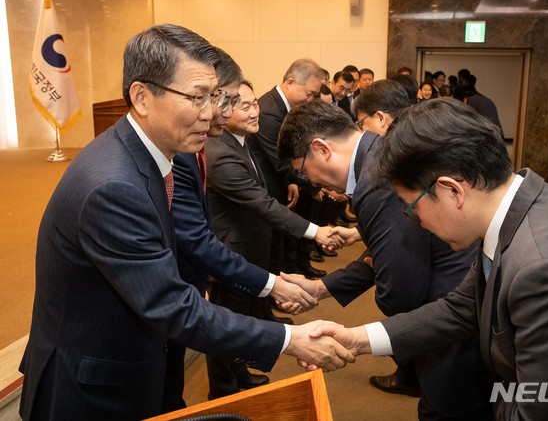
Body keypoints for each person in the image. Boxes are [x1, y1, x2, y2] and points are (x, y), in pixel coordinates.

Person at [18, 24, 353, 421]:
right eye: (197, 97)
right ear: (142, 96)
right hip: (92, 387)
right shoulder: (113, 185)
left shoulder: (149, 158)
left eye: (213, 97)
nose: (211, 113)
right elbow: (170, 304)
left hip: (134, 361)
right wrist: (289, 338)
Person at [308, 98, 548, 421]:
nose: (414, 220)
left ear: (453, 191)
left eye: (411, 206)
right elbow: (460, 308)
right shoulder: (515, 210)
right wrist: (359, 339)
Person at [277, 98, 493, 420]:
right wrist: (320, 288)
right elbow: (388, 254)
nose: (310, 184)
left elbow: (400, 291)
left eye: (302, 172)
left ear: (321, 149)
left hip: (448, 323)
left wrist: (358, 334)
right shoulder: (378, 153)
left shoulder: (375, 180)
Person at [168, 48, 322, 410]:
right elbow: (198, 237)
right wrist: (278, 294)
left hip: (229, 257)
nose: (215, 111)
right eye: (226, 101)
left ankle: (236, 381)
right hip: (219, 258)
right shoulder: (204, 153)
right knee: (223, 328)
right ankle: (224, 389)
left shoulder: (219, 146)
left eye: (227, 101)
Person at [204, 79, 342, 398]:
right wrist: (316, 231)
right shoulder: (219, 151)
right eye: (246, 106)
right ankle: (222, 391)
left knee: (240, 319)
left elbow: (263, 186)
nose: (256, 112)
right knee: (225, 324)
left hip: (251, 245)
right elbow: (261, 202)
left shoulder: (243, 141)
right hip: (229, 252)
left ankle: (238, 372)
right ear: (223, 109)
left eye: (255, 104)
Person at [247, 58, 326, 278]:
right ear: (290, 82)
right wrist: (314, 185)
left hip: (282, 183)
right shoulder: (270, 111)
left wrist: (294, 181)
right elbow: (279, 160)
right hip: (268, 186)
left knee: (281, 241)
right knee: (272, 245)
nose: (309, 99)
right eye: (309, 93)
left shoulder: (283, 106)